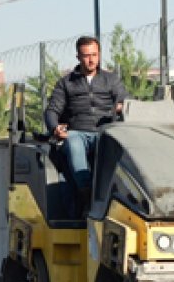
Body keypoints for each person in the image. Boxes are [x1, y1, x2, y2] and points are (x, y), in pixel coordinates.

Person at [43, 36, 129, 203]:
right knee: (73, 141)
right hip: (78, 132)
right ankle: (86, 193)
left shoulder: (111, 79)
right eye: (86, 55)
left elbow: (125, 101)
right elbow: (52, 110)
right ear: (78, 57)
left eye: (94, 55)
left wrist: (121, 106)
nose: (91, 60)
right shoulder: (66, 83)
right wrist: (55, 128)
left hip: (105, 132)